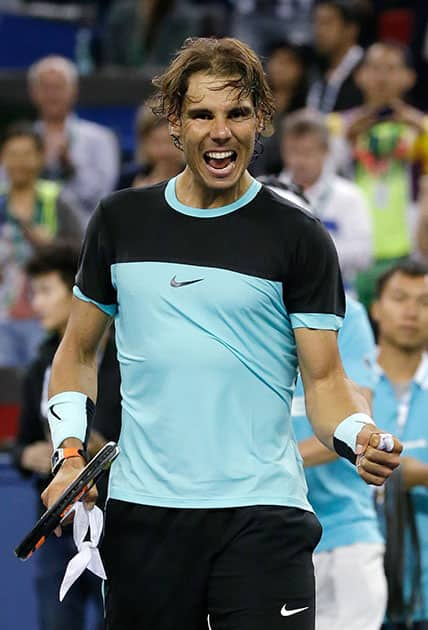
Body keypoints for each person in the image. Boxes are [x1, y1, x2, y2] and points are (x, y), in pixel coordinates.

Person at [41, 37, 401, 630]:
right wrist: (69, 454)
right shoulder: (118, 221)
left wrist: (358, 436)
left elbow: (327, 384)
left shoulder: (301, 237)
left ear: (261, 119)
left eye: (236, 113)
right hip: (145, 516)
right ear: (175, 124)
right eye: (202, 114)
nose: (220, 131)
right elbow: (77, 354)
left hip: (263, 514)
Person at [11, 241, 117, 630]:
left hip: (117, 522)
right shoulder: (41, 360)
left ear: (75, 294)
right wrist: (29, 456)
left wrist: (92, 447)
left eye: (44, 292)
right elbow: (21, 442)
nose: (35, 305)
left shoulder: (127, 354)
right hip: (56, 527)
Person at [292, 295, 387, 630]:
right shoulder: (239, 302)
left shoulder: (347, 312)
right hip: (262, 530)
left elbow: (354, 422)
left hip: (344, 533)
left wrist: (271, 461)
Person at [328, 42, 428, 310]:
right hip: (352, 253)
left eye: (392, 68)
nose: (382, 77)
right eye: (374, 68)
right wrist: (346, 141)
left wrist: (419, 126)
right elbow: (322, 175)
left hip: (406, 251)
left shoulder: (421, 127)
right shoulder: (336, 126)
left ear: (410, 77)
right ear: (359, 76)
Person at [370, 260, 428, 629]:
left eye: (424, 301)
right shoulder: (346, 385)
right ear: (375, 308)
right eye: (400, 298)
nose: (411, 310)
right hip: (357, 579)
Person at [0, 122, 83, 368]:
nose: (20, 162)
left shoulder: (57, 199)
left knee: (41, 385)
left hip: (45, 316)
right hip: (3, 315)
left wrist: (50, 244)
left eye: (27, 155)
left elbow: (83, 249)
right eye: (12, 155)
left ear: (40, 158)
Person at [277, 108, 373, 289]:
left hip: (339, 295)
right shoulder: (271, 194)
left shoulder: (349, 196)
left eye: (307, 152)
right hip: (283, 297)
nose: (299, 161)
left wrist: (315, 255)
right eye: (293, 151)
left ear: (326, 151)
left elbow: (364, 254)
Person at [28, 55, 120, 218]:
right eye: (45, 88)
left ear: (73, 91)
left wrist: (70, 167)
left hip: (83, 233)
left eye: (58, 87)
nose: (52, 95)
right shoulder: (22, 140)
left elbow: (104, 195)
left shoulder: (100, 138)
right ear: (33, 93)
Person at [306, 0, 365, 113]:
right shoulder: (314, 67)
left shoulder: (366, 67)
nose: (318, 30)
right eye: (316, 22)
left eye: (327, 23)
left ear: (351, 29)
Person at [117, 103, 184, 190]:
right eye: (157, 143)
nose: (164, 151)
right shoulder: (128, 178)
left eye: (170, 142)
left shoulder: (198, 178)